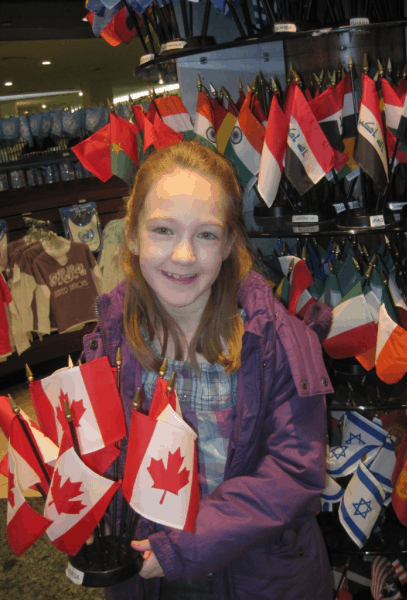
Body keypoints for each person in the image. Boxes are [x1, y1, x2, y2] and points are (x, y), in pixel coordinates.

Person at [81, 140, 334, 600]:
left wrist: (185, 547)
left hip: (258, 576)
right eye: (163, 230)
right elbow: (101, 454)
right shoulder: (111, 340)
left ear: (229, 244)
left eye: (205, 234)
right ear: (132, 235)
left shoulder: (277, 342)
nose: (183, 256)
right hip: (146, 575)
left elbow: (294, 473)